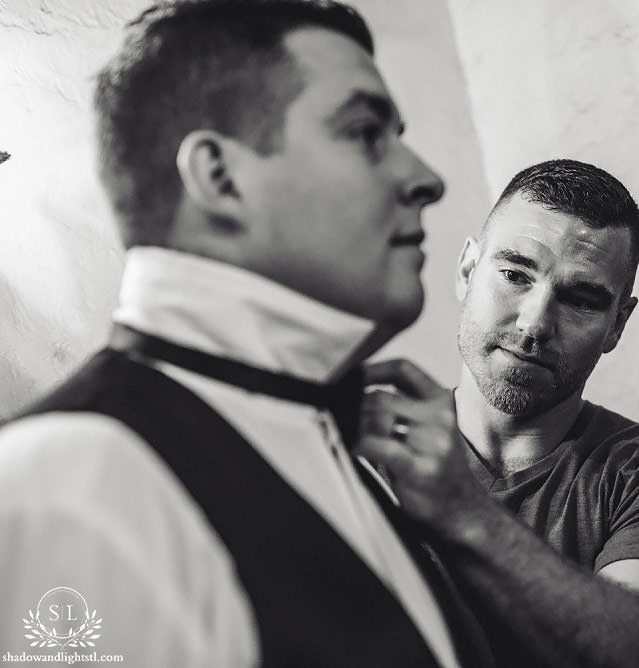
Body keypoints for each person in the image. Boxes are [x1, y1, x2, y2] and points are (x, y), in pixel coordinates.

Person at [0, 2, 490, 666]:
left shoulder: (339, 445)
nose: (424, 178)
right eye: (366, 131)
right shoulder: (69, 489)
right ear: (220, 177)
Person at [359, 159, 639, 667]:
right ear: (468, 271)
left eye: (581, 300)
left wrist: (464, 515)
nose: (535, 323)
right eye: (515, 275)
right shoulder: (367, 450)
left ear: (616, 326)